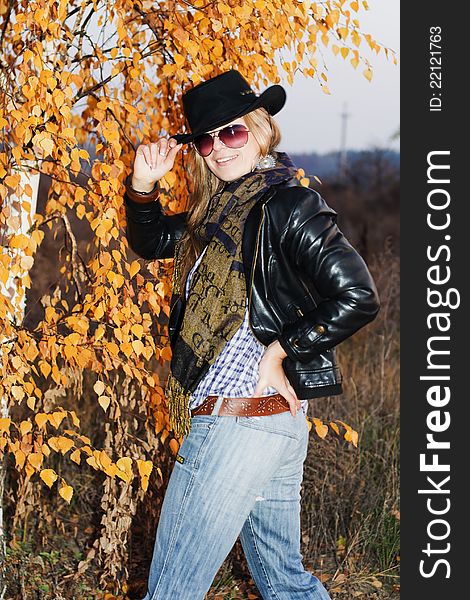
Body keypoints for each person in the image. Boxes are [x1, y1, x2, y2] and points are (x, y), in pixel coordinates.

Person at [123, 70, 380, 600]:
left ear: (261, 130)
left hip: (238, 419)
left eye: (232, 132)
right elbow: (152, 242)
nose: (219, 149)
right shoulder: (218, 211)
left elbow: (358, 295)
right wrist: (143, 187)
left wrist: (281, 350)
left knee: (171, 590)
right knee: (286, 583)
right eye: (205, 138)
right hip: (268, 424)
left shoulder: (286, 204)